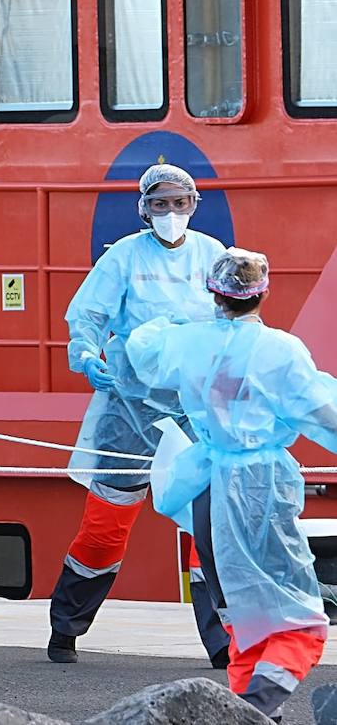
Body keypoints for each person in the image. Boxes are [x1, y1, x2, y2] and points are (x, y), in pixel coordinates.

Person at [126, 248, 336, 720]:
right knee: (303, 624)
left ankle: (252, 712)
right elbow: (325, 414)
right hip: (260, 491)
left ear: (213, 293)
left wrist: (184, 317)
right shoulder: (280, 350)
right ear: (264, 292)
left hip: (208, 486)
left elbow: (142, 347)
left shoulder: (190, 342)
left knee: (241, 616)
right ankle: (255, 709)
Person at [47, 163, 230, 666]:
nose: (170, 212)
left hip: (195, 408)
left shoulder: (212, 253)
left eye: (179, 203)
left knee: (207, 526)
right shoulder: (124, 256)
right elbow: (88, 315)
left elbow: (233, 317)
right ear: (144, 209)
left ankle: (222, 641)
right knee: (106, 527)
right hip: (129, 406)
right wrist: (87, 355)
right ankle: (66, 627)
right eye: (159, 203)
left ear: (194, 205)